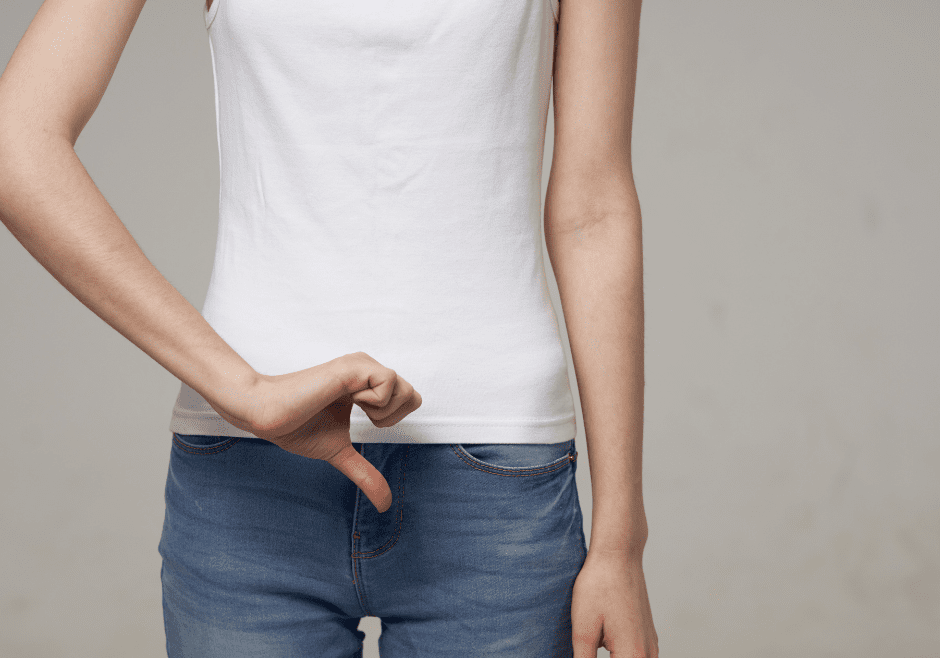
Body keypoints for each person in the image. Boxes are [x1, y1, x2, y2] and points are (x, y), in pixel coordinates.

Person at [0, 0, 657, 654]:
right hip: (247, 475)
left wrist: (621, 540)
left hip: (495, 479)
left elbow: (592, 208)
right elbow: (16, 139)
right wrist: (244, 388)